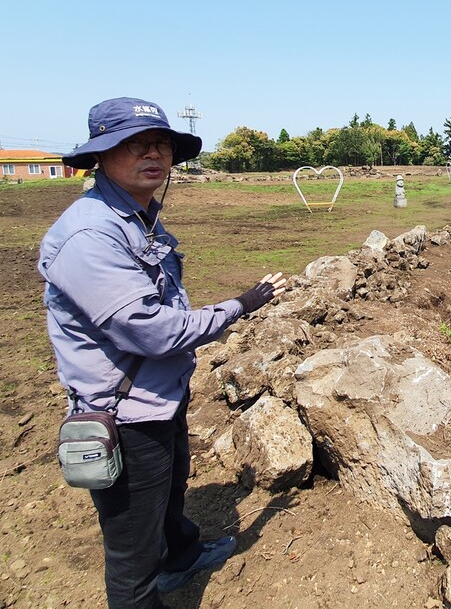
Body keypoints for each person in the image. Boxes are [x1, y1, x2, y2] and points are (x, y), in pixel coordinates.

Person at [38, 97, 287, 608]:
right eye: (134, 145)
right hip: (123, 412)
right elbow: (152, 331)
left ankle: (181, 555)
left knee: (171, 487)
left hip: (159, 394)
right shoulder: (90, 235)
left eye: (162, 145)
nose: (153, 154)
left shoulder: (138, 217)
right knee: (132, 555)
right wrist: (239, 305)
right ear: (101, 156)